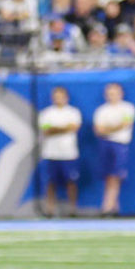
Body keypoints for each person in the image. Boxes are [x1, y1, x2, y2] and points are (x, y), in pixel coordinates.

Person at [93, 82, 135, 217]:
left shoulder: (128, 108)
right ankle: (114, 207)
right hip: (105, 144)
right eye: (110, 93)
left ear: (121, 93)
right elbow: (98, 130)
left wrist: (108, 129)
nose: (113, 96)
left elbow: (126, 124)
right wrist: (114, 127)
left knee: (115, 176)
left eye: (115, 93)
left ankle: (107, 206)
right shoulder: (102, 110)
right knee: (108, 176)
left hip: (119, 144)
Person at [38, 85, 81, 217]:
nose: (59, 99)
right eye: (56, 97)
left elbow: (73, 127)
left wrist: (55, 129)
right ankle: (50, 209)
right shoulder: (46, 113)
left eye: (61, 97)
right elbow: (46, 131)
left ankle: (72, 209)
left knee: (71, 181)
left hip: (68, 153)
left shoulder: (73, 112)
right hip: (51, 153)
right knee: (51, 182)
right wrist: (64, 128)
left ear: (66, 98)